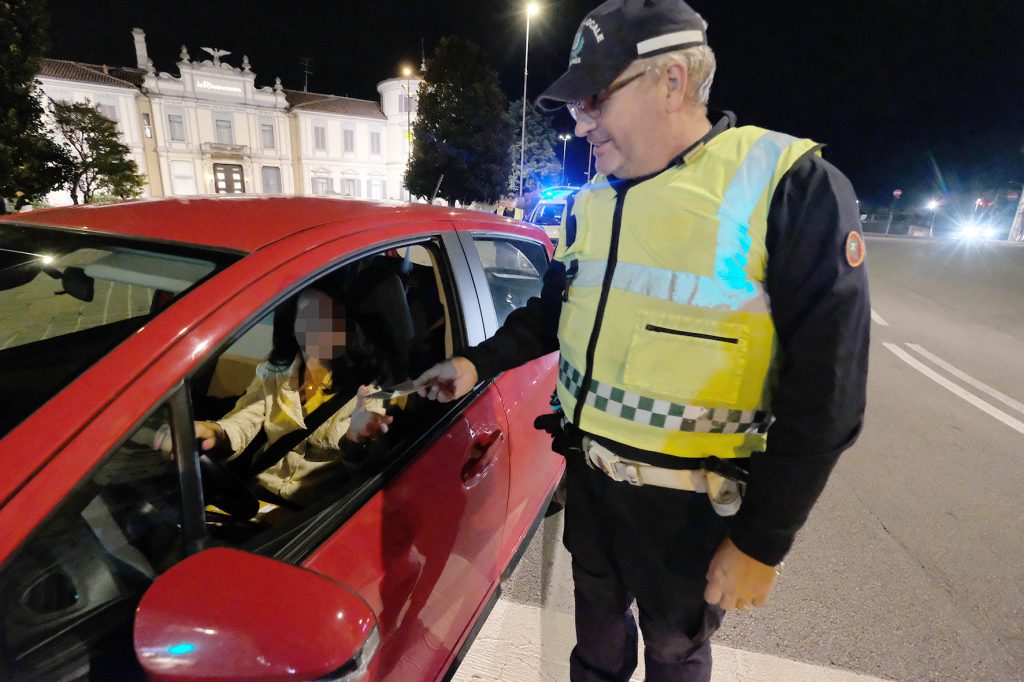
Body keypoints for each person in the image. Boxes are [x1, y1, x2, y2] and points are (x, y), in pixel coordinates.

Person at [415, 1, 870, 680]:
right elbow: (550, 315)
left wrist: (762, 542)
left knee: (673, 654)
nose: (579, 120)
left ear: (672, 82)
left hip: (690, 511)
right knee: (595, 648)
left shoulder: (786, 185)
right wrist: (472, 362)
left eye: (596, 97)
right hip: (592, 488)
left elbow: (827, 393)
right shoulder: (593, 200)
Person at [160, 285, 393, 506]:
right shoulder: (274, 371)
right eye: (309, 317)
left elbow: (366, 476)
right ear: (292, 325)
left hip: (317, 512)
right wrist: (213, 431)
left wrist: (356, 442)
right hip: (258, 494)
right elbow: (244, 420)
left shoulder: (368, 388)